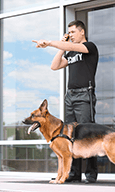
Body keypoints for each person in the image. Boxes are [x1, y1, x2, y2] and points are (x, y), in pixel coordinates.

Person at [32, 20, 98, 184]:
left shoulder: (89, 47)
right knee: (69, 134)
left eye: (73, 32)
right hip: (70, 96)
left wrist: (51, 43)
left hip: (84, 95)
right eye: (69, 32)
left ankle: (91, 174)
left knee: (87, 133)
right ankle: (73, 173)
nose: (70, 35)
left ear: (82, 32)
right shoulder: (70, 51)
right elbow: (54, 66)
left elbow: (74, 47)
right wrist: (62, 45)